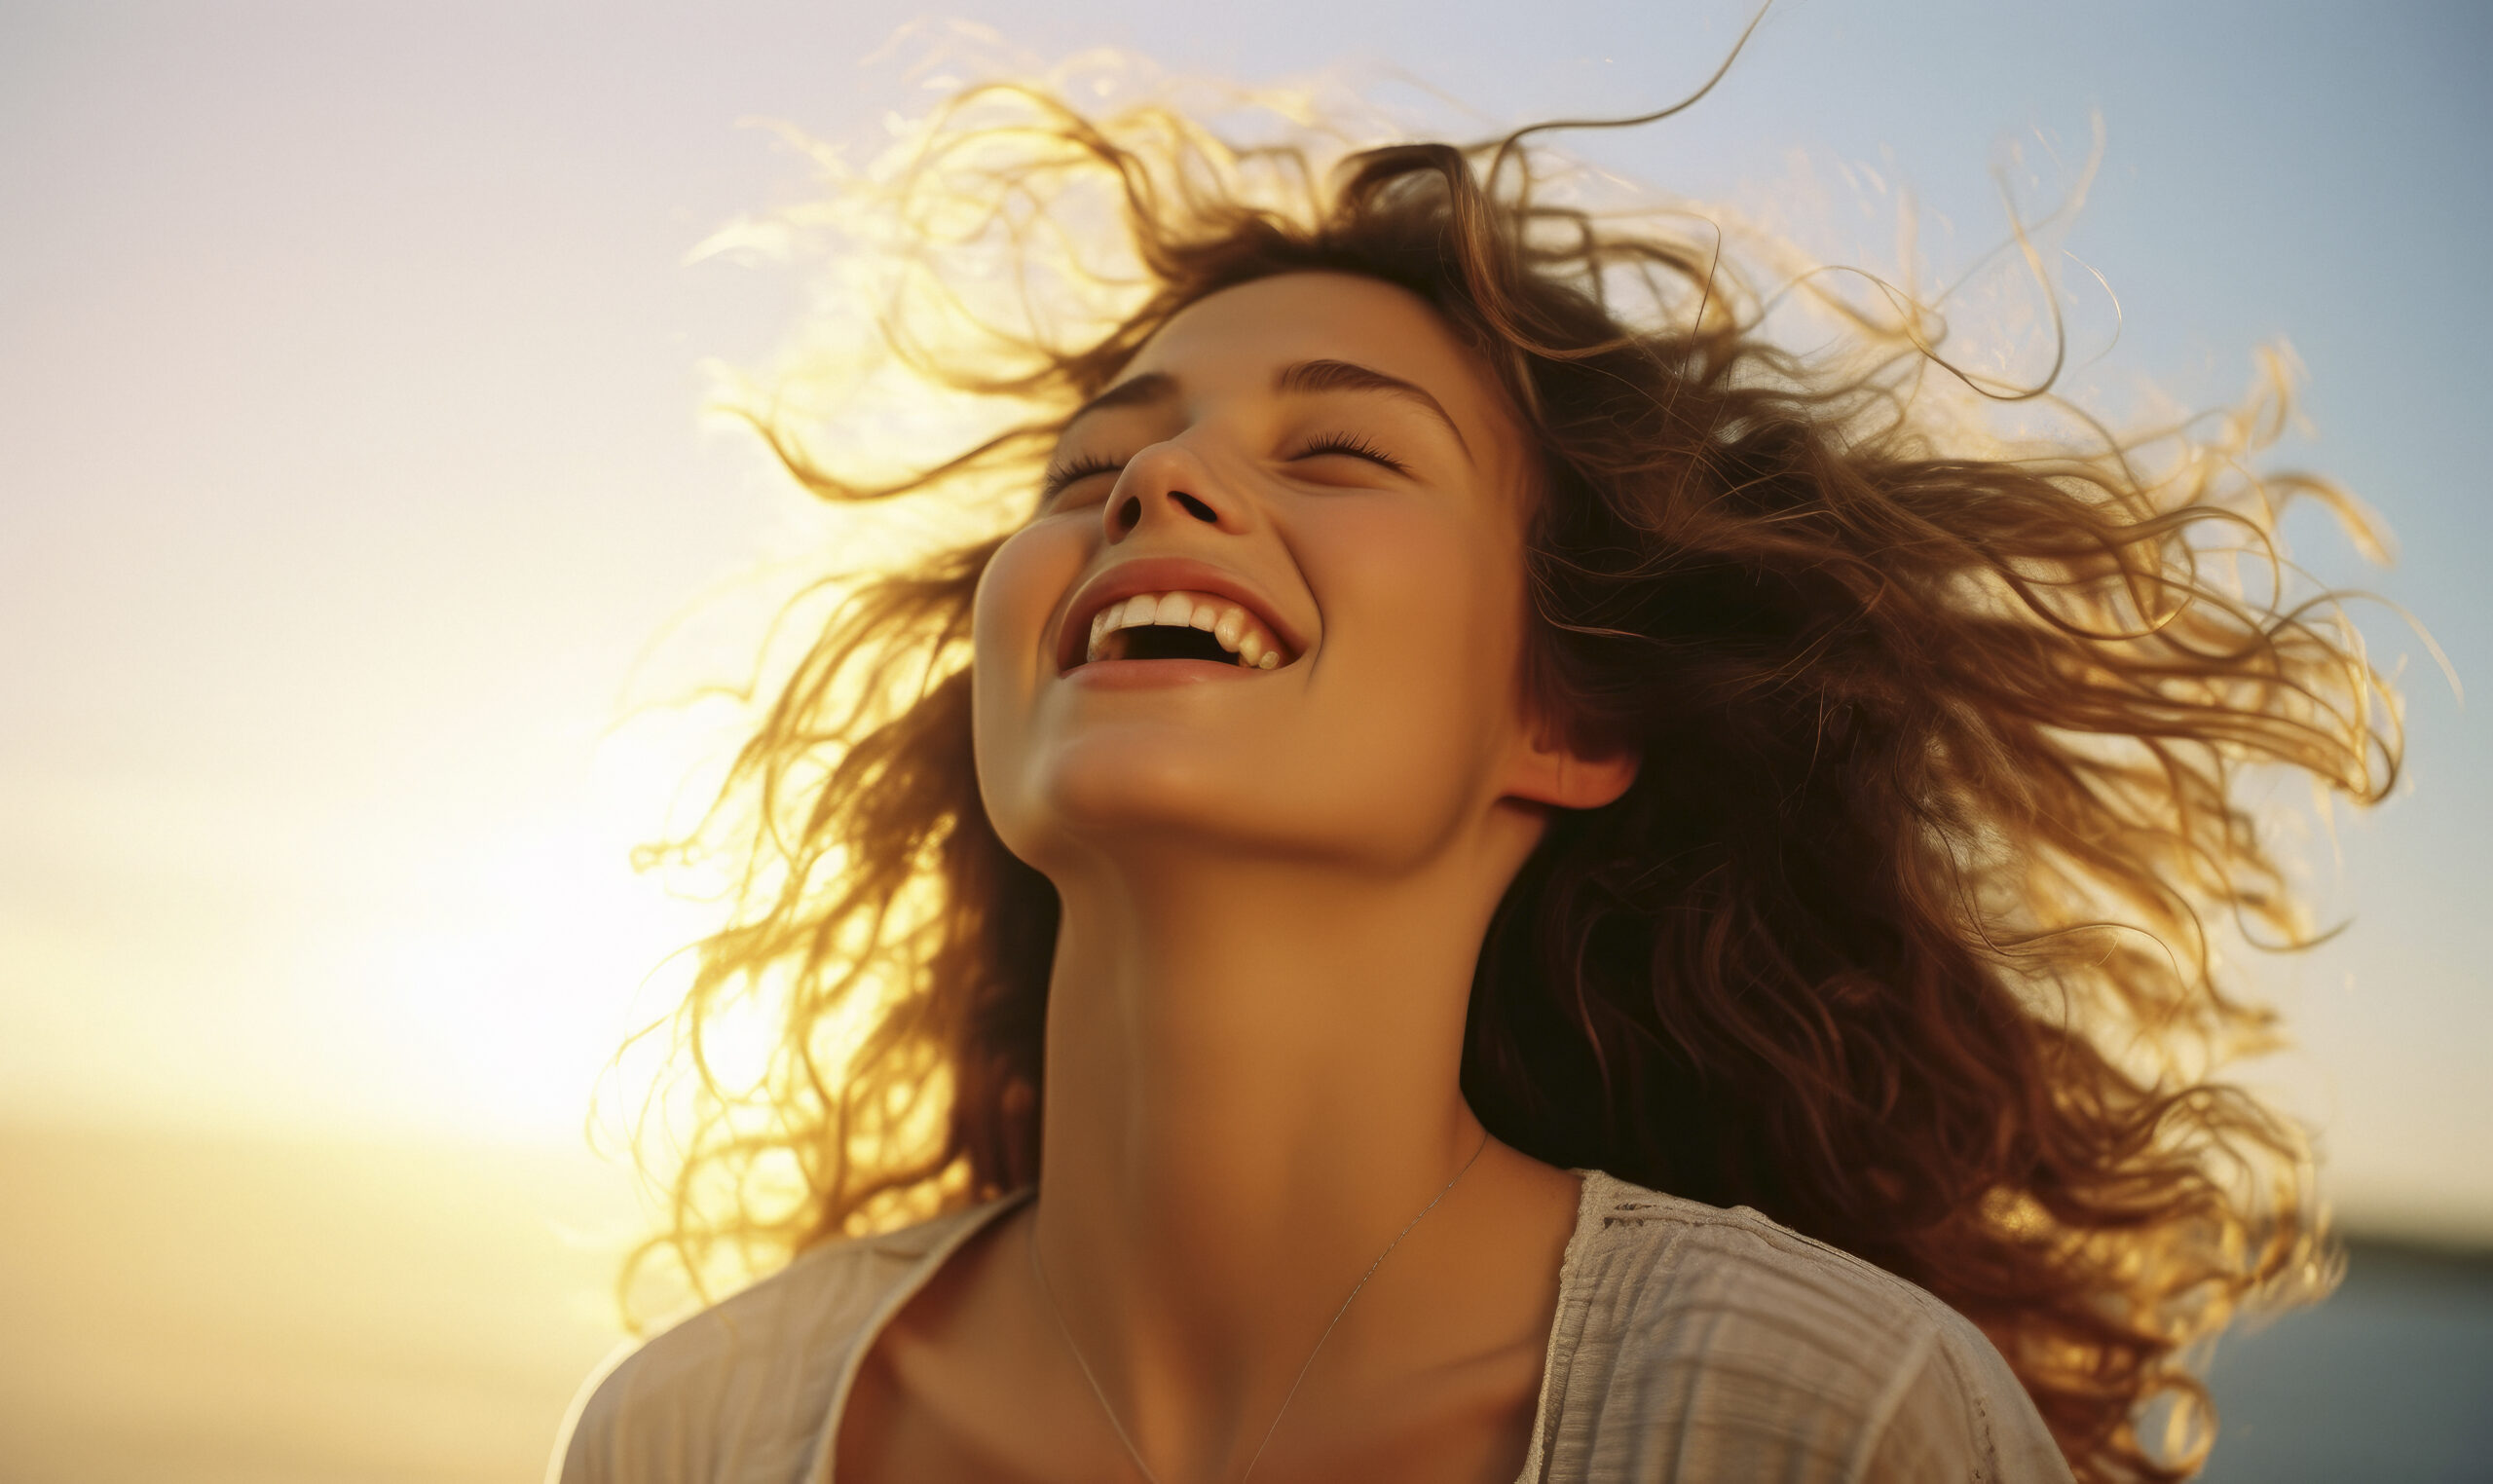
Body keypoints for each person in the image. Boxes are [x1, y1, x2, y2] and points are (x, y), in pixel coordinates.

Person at [552, 68, 2393, 1484]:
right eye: (1089, 471)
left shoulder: (1819, 1418)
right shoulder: (690, 1433)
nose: (1155, 486)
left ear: (1567, 724)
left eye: (1341, 453)